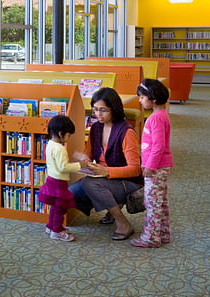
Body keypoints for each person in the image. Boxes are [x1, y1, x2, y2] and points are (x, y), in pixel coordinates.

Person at [71, 86, 142, 241]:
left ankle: (122, 223)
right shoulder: (95, 128)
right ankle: (113, 204)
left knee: (90, 184)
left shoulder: (126, 132)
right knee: (71, 194)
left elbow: (135, 169)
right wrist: (83, 159)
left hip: (128, 180)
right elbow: (88, 155)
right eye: (95, 109)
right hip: (103, 177)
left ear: (114, 109)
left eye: (103, 110)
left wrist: (106, 171)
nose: (98, 114)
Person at [130, 78, 173, 248]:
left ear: (152, 98)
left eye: (142, 97)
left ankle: (151, 238)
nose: (140, 100)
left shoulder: (155, 118)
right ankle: (163, 233)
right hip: (161, 165)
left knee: (152, 203)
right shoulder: (162, 115)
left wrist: (150, 166)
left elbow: (159, 146)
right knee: (160, 200)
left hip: (156, 167)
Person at [37, 114, 81, 242]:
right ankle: (57, 230)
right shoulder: (60, 149)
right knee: (60, 207)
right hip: (59, 182)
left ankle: (51, 226)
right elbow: (63, 167)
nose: (68, 138)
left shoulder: (50, 144)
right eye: (68, 135)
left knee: (54, 206)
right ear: (61, 133)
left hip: (51, 179)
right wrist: (79, 165)